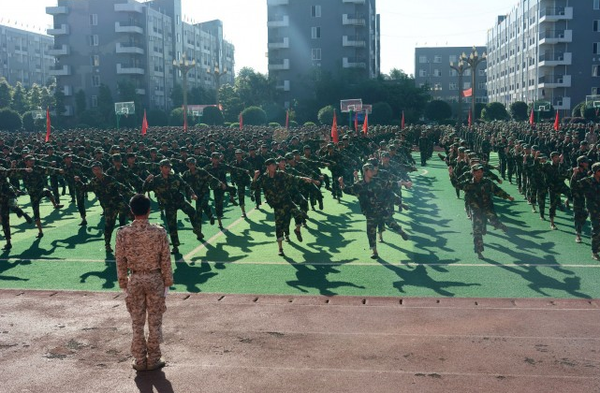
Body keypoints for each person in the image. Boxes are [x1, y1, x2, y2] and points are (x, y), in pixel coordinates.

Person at [115, 193, 172, 372]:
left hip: (135, 278)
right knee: (155, 321)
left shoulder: (123, 233)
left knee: (136, 321)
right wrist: (167, 282)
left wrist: (123, 282)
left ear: (131, 211)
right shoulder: (159, 231)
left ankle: (139, 359)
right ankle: (154, 358)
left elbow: (120, 260)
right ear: (149, 210)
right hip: (155, 279)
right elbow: (166, 259)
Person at [339, 163, 409, 259]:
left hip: (382, 209)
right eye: (371, 170)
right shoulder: (359, 185)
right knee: (370, 232)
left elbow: (390, 185)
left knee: (391, 222)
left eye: (373, 170)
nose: (373, 172)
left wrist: (404, 184)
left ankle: (401, 232)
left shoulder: (378, 182)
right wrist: (342, 184)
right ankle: (374, 252)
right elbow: (348, 190)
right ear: (365, 171)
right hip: (370, 213)